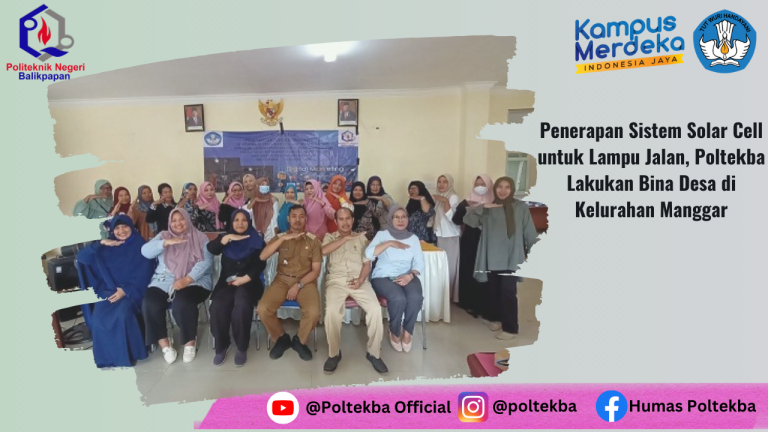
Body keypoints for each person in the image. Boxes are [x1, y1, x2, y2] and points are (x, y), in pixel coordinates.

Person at [463, 176, 538, 340]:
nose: (503, 190)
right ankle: (496, 319)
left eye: (507, 187)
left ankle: (510, 328)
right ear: (495, 188)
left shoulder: (520, 207)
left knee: (508, 292)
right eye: (500, 187)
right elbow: (469, 220)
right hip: (492, 256)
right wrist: (483, 206)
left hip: (512, 257)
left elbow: (529, 231)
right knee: (493, 290)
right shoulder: (489, 208)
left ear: (512, 189)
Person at [76, 215, 155, 368]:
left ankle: (128, 355)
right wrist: (100, 243)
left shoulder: (141, 246)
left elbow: (146, 272)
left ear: (131, 227)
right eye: (117, 228)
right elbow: (82, 258)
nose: (121, 231)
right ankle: (106, 358)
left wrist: (126, 290)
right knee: (98, 319)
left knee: (122, 314)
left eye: (125, 226)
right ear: (112, 230)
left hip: (133, 292)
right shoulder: (106, 247)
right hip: (109, 291)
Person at [141, 208, 213, 364]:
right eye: (173, 220)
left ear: (187, 219)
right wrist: (165, 243)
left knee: (182, 302)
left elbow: (206, 262)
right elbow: (145, 251)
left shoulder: (200, 237)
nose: (178, 223)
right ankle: (165, 344)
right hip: (164, 280)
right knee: (150, 302)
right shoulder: (163, 236)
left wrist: (187, 279)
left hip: (195, 280)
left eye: (181, 219)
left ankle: (189, 342)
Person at [322, 208, 388, 373]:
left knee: (375, 310)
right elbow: (324, 251)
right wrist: (345, 239)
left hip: (359, 281)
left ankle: (374, 353)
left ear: (352, 220)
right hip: (336, 282)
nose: (345, 222)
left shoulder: (362, 238)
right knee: (331, 312)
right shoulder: (329, 237)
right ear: (336, 221)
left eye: (348, 219)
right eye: (341, 219)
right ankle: (334, 354)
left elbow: (367, 264)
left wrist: (360, 280)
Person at [256, 205, 322, 361]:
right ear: (288, 218)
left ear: (306, 219)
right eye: (294, 216)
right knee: (263, 309)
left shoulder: (313, 241)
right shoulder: (281, 237)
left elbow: (315, 271)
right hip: (282, 280)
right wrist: (282, 239)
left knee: (313, 313)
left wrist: (298, 285)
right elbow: (263, 256)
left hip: (305, 282)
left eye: (301, 216)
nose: (297, 220)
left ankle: (300, 340)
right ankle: (281, 338)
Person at [207, 209, 266, 367]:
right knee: (218, 305)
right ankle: (222, 345)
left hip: (250, 282)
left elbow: (261, 263)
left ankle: (241, 346)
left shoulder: (257, 240)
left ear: (249, 222)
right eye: (236, 220)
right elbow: (211, 249)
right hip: (227, 282)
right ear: (231, 222)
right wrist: (226, 238)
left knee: (242, 304)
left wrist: (245, 278)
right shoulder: (225, 237)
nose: (240, 223)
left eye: (244, 220)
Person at [366, 206, 425, 353]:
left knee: (416, 297)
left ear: (407, 219)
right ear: (390, 219)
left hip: (407, 275)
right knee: (398, 299)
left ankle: (408, 331)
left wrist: (410, 275)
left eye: (403, 217)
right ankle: (394, 331)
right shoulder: (382, 235)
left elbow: (419, 262)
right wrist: (390, 243)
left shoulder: (413, 238)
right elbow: (368, 254)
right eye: (396, 217)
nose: (400, 220)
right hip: (383, 276)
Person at [452, 174, 494, 318]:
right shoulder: (467, 201)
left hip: (487, 241)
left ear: (489, 185)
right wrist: (465, 207)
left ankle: (483, 305)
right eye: (477, 184)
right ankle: (468, 303)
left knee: (483, 271)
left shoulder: (495, 202)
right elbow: (456, 220)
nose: (479, 187)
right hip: (470, 240)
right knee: (468, 270)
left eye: (483, 184)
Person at [432, 174, 461, 302]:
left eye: (445, 182)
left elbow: (452, 217)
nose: (441, 184)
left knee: (450, 267)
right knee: (441, 267)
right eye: (439, 181)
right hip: (440, 235)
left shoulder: (452, 196)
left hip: (450, 236)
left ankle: (449, 296)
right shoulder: (439, 197)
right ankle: (442, 295)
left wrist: (445, 201)